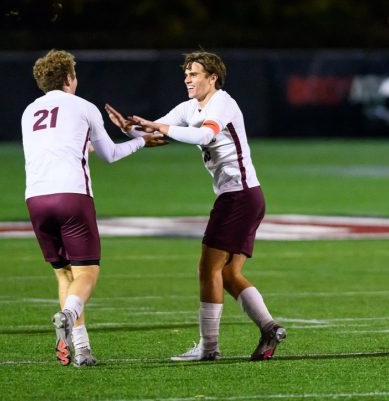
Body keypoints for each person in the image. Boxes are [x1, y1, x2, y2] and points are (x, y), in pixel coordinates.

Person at [105, 51, 285, 361]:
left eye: (195, 74)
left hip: (238, 197)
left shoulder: (222, 102)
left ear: (212, 78)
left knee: (207, 268)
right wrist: (128, 129)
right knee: (227, 274)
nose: (188, 79)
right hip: (246, 196)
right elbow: (154, 130)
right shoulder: (190, 107)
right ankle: (270, 328)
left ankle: (209, 348)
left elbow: (203, 133)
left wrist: (158, 128)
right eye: (186, 74)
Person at [22, 49, 166, 367]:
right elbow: (111, 154)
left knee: (65, 275)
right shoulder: (84, 107)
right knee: (87, 271)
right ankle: (69, 315)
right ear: (70, 78)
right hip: (72, 196)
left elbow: (53, 148)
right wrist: (142, 141)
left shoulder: (29, 111)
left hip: (35, 199)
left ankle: (81, 350)